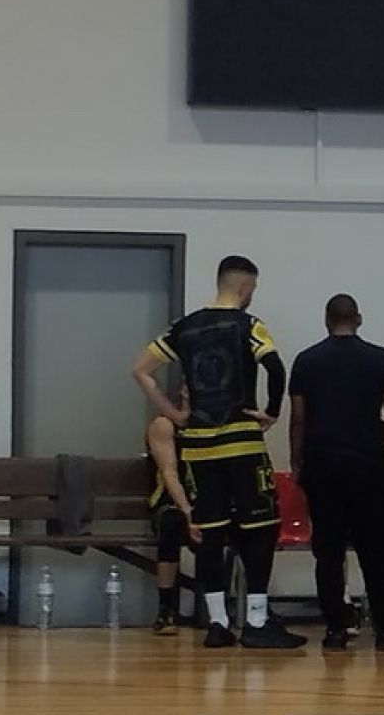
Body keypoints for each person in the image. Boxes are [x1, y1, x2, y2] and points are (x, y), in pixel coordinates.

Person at [129, 255, 304, 650]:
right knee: (260, 527)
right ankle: (257, 620)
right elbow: (276, 368)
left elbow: (140, 369)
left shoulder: (184, 327)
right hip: (241, 441)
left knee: (209, 532)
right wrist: (271, 412)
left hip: (199, 447)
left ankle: (218, 623)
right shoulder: (248, 324)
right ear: (244, 287)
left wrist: (173, 412)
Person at [289, 293, 384, 650]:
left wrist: (297, 463)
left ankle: (336, 627)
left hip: (322, 463)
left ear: (326, 321)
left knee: (328, 551)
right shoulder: (379, 358)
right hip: (367, 464)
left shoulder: (306, 361)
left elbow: (298, 419)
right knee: (376, 549)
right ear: (358, 320)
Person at [144, 412, 197, 636]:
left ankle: (222, 609)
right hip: (170, 500)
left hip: (208, 499)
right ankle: (166, 609)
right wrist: (188, 511)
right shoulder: (164, 424)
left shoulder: (215, 421)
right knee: (171, 523)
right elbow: (169, 473)